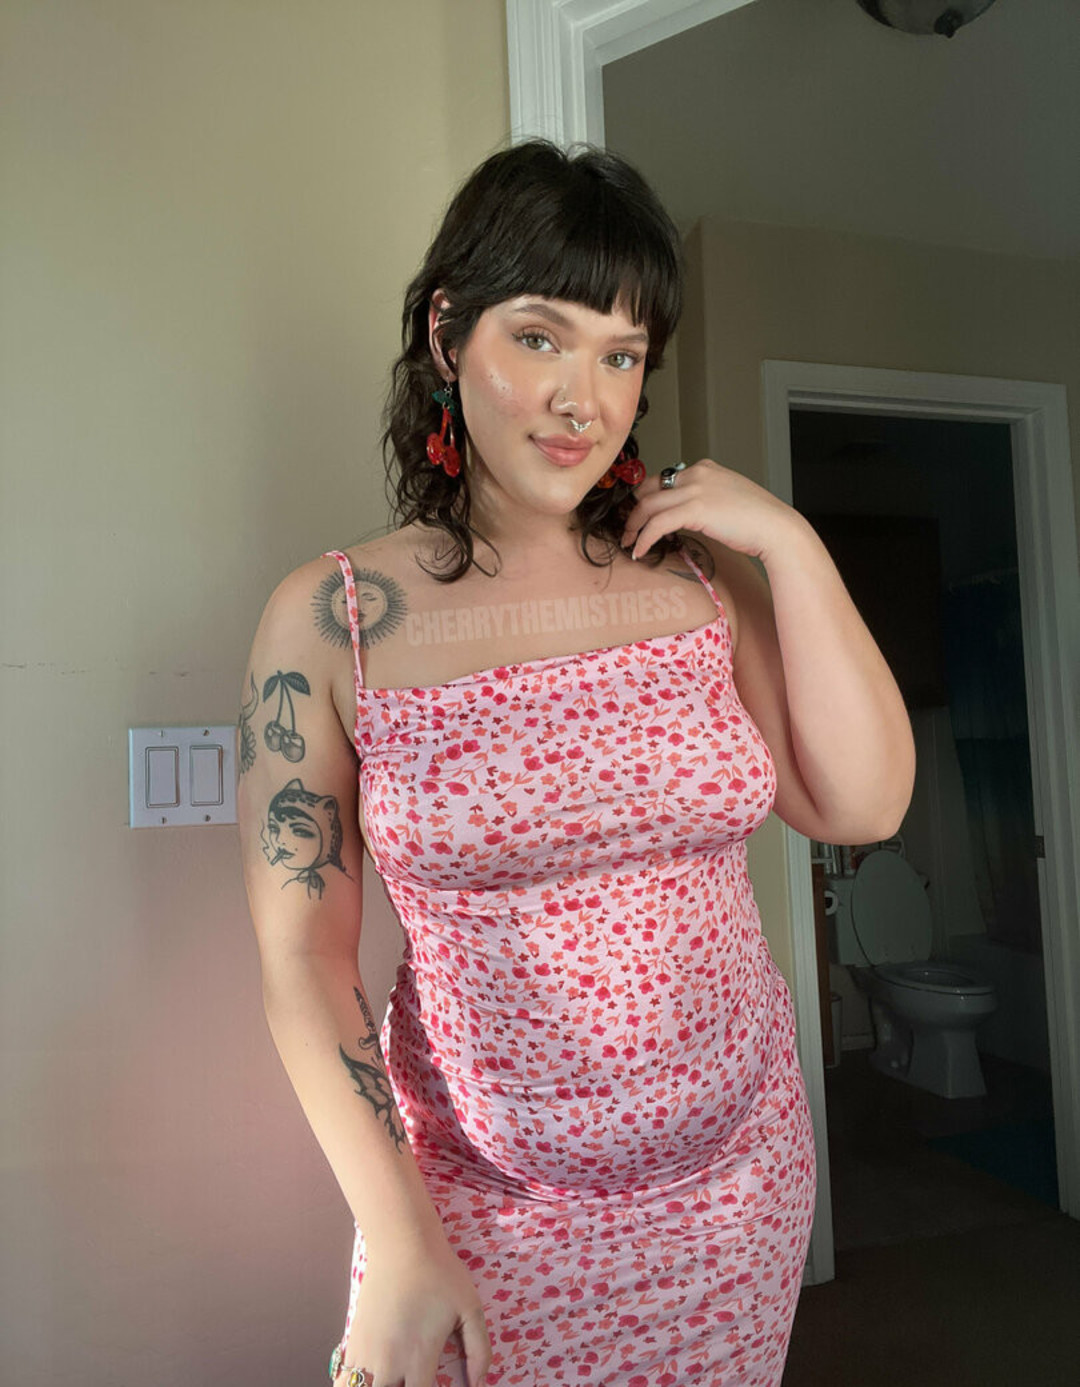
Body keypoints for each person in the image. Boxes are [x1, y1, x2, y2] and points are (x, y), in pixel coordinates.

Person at [238, 140, 915, 1387]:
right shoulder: (332, 622)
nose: (582, 400)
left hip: (736, 1192)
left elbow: (861, 801)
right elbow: (303, 957)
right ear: (448, 334)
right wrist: (399, 1236)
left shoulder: (697, 586)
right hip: (475, 1214)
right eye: (540, 338)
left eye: (620, 355)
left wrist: (789, 543)